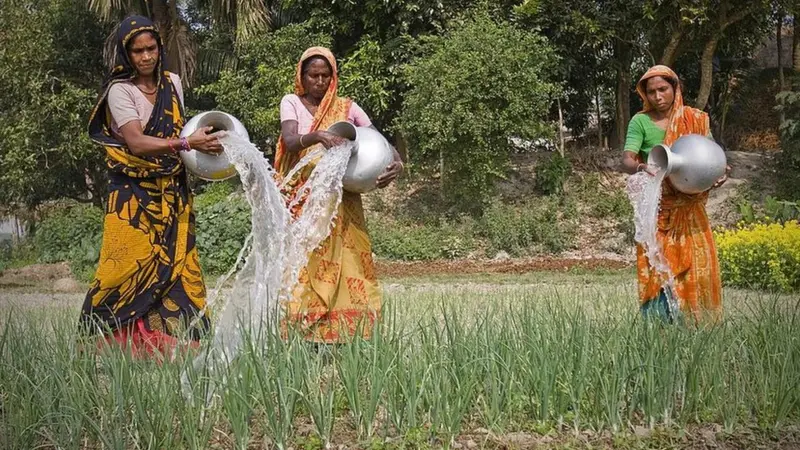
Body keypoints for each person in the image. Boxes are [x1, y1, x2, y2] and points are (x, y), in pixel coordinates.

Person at [80, 15, 223, 356]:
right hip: (132, 196)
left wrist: (200, 146)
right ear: (125, 55)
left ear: (160, 49)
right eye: (137, 51)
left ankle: (177, 347)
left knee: (178, 267)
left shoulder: (173, 83)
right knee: (123, 268)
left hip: (172, 192)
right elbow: (137, 143)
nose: (146, 57)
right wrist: (188, 146)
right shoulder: (120, 91)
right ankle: (102, 345)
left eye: (151, 49)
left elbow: (180, 131)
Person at [275, 47, 403, 343]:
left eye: (325, 75)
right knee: (305, 262)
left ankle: (346, 333)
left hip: (343, 198)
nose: (319, 82)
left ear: (333, 77)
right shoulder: (291, 102)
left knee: (349, 260)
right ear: (302, 77)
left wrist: (396, 164)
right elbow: (291, 141)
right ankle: (303, 332)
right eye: (313, 75)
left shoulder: (348, 107)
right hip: (306, 198)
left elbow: (380, 142)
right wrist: (319, 135)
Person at [621, 65, 729, 324]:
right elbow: (627, 159)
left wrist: (718, 173)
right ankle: (659, 331)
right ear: (644, 94)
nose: (658, 96)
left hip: (690, 208)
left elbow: (709, 154)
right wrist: (641, 166)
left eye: (663, 89)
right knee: (658, 271)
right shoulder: (641, 122)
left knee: (696, 267)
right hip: (659, 211)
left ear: (675, 88)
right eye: (651, 92)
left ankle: (697, 327)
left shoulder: (695, 119)